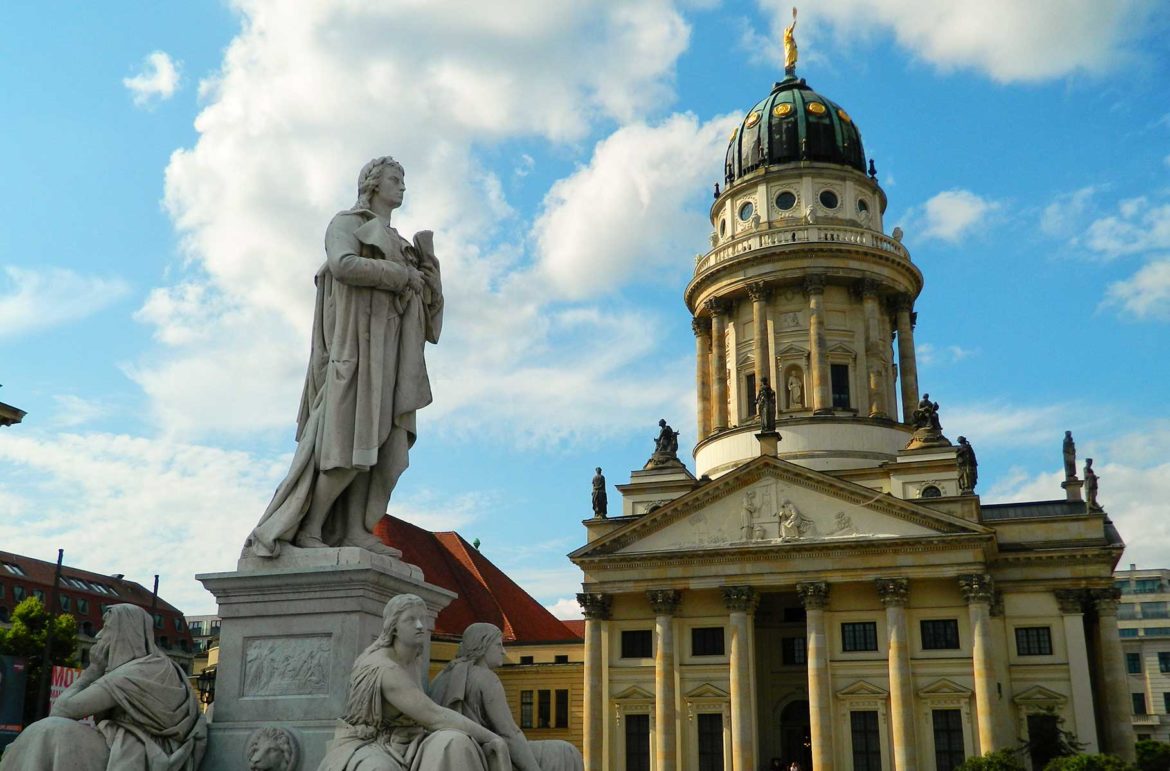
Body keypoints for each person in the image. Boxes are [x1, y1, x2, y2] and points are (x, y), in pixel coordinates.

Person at [245, 157, 444, 558]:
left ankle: (355, 527)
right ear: (372, 183)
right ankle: (311, 528)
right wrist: (401, 276)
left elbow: (427, 317)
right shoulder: (347, 223)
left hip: (391, 354)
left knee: (381, 446)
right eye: (395, 178)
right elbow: (343, 264)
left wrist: (427, 273)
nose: (402, 186)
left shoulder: (401, 243)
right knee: (347, 445)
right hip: (356, 351)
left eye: (404, 179)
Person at [0, 604, 206, 771]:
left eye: (106, 627)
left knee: (49, 730)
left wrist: (93, 670)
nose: (98, 635)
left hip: (142, 751)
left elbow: (62, 711)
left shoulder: (136, 672)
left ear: (124, 631)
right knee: (46, 732)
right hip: (134, 746)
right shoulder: (161, 665)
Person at [319, 594, 509, 771]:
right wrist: (492, 737)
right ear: (393, 626)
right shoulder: (386, 669)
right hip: (371, 742)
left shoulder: (414, 658)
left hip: (411, 738)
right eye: (410, 620)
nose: (420, 625)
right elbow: (435, 716)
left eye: (422, 618)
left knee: (455, 742)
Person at [430, 623, 583, 771]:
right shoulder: (486, 678)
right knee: (565, 751)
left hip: (454, 751)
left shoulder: (441, 677)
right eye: (498, 645)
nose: (503, 651)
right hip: (485, 753)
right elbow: (509, 733)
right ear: (483, 646)